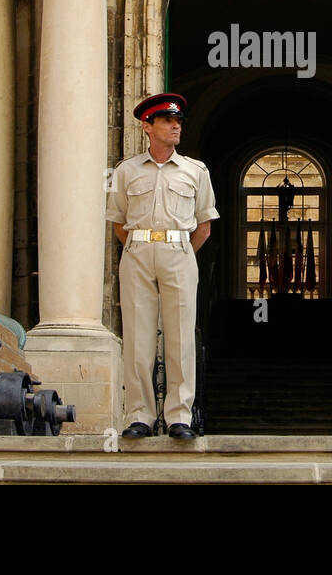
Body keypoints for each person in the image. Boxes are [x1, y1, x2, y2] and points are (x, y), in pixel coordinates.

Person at [105, 93, 218, 439]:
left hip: (178, 251)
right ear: (148, 126)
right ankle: (139, 414)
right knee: (137, 337)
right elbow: (118, 223)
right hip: (138, 250)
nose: (175, 126)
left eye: (178, 121)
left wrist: (179, 251)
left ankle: (178, 417)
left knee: (180, 335)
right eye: (168, 121)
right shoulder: (126, 171)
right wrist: (142, 248)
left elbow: (204, 225)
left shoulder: (195, 171)